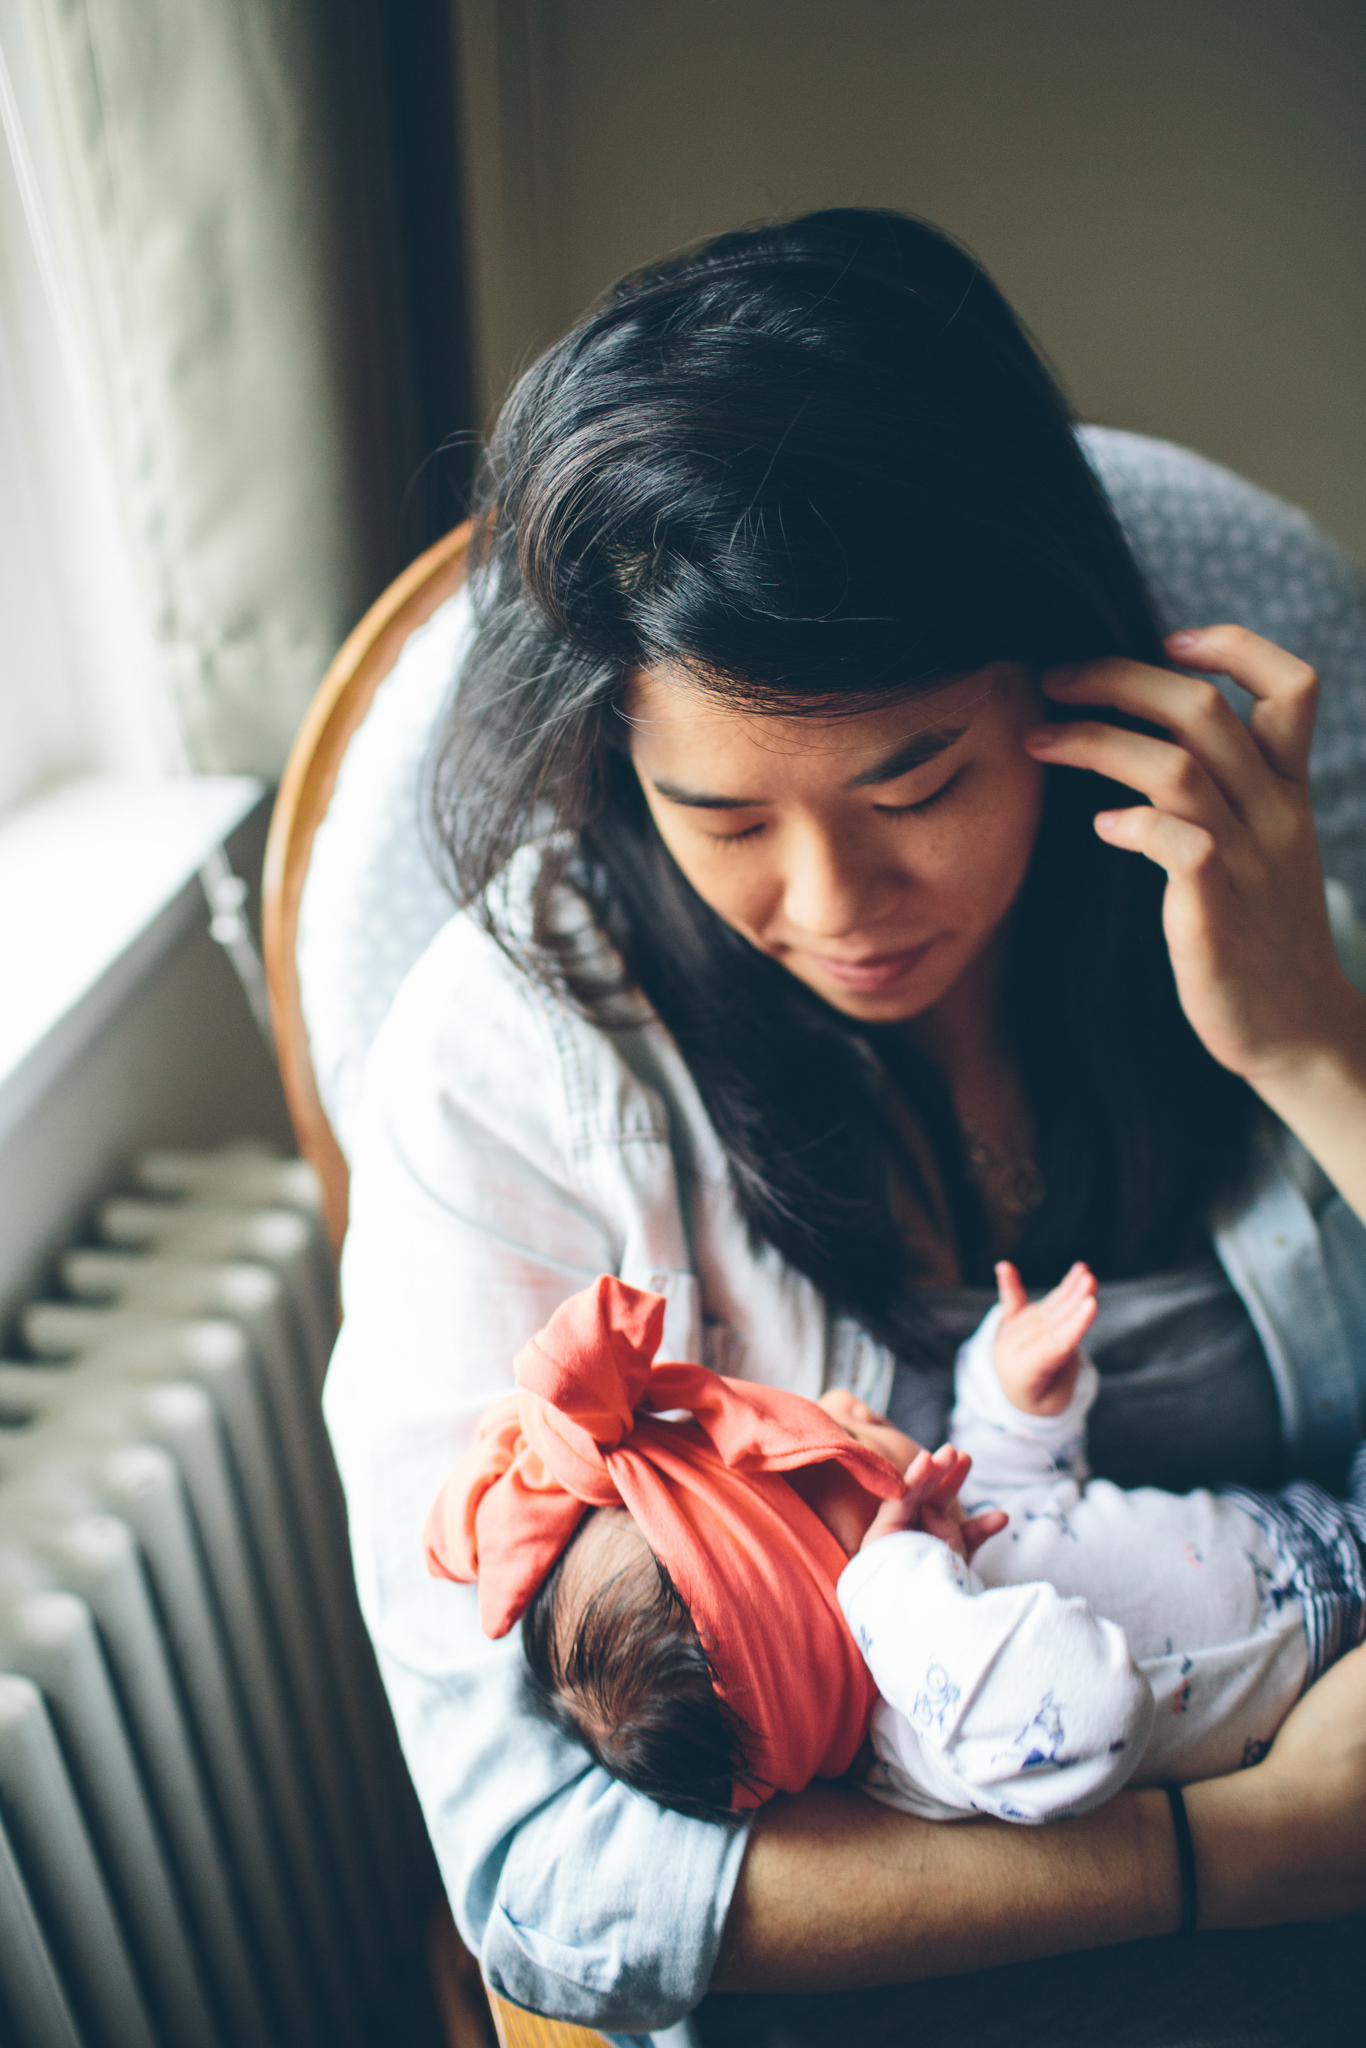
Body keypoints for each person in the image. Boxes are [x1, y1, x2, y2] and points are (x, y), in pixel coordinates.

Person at [321, 208, 1366, 2036]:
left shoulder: (1229, 907)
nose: (837, 901)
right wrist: (1240, 1844)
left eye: (918, 780)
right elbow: (546, 1880)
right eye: (725, 817)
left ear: (1056, 678)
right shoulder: (507, 1070)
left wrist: (1306, 1045)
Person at [426, 1265, 1366, 1831]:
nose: (842, 1409)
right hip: (1339, 1648)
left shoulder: (943, 1565)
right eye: (818, 1457)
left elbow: (1028, 1490)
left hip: (1310, 1520)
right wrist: (901, 1589)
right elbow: (1094, 1713)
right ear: (847, 1614)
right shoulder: (930, 1734)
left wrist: (1013, 1395)